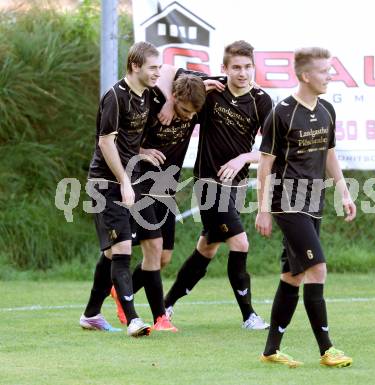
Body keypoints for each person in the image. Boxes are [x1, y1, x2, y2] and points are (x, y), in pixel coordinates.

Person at [255, 47, 356, 367]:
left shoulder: (326, 110)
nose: (330, 75)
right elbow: (264, 165)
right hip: (287, 203)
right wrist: (262, 209)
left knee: (292, 275)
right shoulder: (282, 113)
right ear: (305, 75)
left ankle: (271, 351)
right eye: (325, 71)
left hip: (314, 202)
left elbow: (328, 154)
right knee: (317, 268)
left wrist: (344, 191)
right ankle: (327, 349)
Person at [162, 40, 272, 330]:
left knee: (206, 249)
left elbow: (270, 152)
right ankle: (249, 316)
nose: (242, 73)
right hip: (209, 183)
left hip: (235, 186)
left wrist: (241, 159)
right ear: (224, 68)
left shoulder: (262, 101)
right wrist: (170, 99)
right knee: (240, 242)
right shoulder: (211, 89)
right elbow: (167, 71)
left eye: (248, 67)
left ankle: (163, 306)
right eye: (236, 67)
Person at [110, 74, 212, 331]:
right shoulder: (154, 108)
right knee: (146, 248)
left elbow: (233, 79)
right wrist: (143, 151)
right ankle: (153, 314)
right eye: (184, 110)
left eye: (193, 113)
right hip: (141, 185)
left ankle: (123, 289)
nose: (189, 118)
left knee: (164, 257)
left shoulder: (193, 106)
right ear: (174, 97)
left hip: (167, 190)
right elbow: (121, 141)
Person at [79, 41, 161, 337]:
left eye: (159, 67)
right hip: (106, 184)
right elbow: (105, 142)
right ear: (135, 66)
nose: (157, 73)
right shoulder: (115, 96)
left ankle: (90, 315)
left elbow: (128, 138)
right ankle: (134, 320)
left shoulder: (146, 95)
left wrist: (144, 149)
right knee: (123, 248)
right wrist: (125, 182)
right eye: (153, 67)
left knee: (114, 253)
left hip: (127, 180)